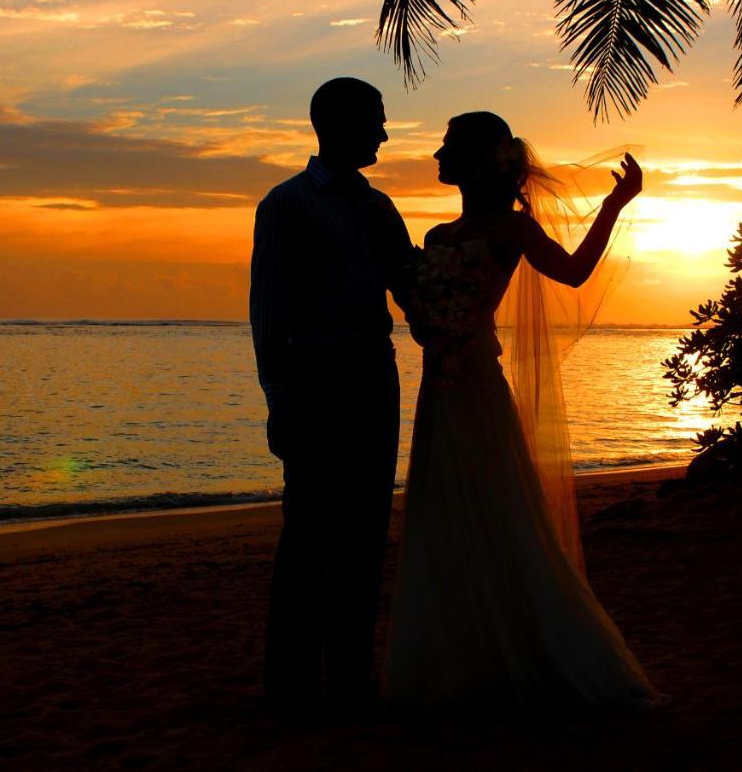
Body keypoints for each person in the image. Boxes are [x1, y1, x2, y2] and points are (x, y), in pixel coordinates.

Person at [381, 111, 664, 710]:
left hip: (478, 382)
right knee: (445, 514)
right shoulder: (436, 239)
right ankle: (464, 656)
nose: (437, 153)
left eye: (449, 145)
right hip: (440, 386)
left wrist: (615, 205)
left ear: (480, 159)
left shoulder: (512, 231)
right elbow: (417, 308)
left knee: (497, 506)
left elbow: (574, 272)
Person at [249, 77, 414, 721]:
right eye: (375, 119)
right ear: (335, 124)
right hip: (315, 379)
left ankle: (350, 679)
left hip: (374, 375)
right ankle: (290, 689)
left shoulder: (379, 208)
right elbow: (268, 311)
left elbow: (410, 283)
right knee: (309, 535)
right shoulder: (285, 205)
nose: (383, 132)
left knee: (366, 533)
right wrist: (280, 398)